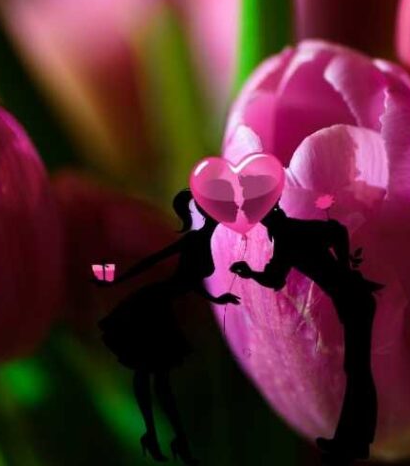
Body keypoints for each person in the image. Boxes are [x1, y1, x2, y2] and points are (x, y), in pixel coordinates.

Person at [229, 204, 381, 465]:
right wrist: (251, 273)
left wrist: (344, 267)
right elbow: (277, 278)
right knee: (356, 369)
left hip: (354, 300)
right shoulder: (286, 238)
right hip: (351, 299)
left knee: (357, 370)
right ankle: (354, 437)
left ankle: (357, 437)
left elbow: (334, 230)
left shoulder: (290, 235)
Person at [96, 189, 238, 464]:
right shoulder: (196, 241)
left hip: (178, 309)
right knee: (153, 376)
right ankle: (160, 435)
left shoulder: (207, 241)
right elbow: (154, 262)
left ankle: (165, 436)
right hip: (167, 307)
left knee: (157, 377)